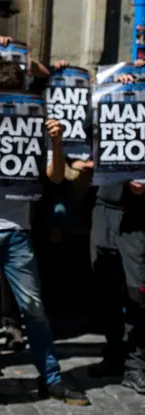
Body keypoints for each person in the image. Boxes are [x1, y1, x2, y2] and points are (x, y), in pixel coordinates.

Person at [0, 59, 89, 405]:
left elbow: (55, 176)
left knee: (33, 308)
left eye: (12, 93)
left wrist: (56, 143)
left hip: (17, 231)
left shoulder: (36, 121)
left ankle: (51, 378)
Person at [82, 69, 145, 393]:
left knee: (137, 293)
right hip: (104, 208)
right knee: (105, 287)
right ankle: (114, 355)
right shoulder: (117, 95)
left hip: (136, 217)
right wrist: (109, 93)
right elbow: (85, 128)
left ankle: (137, 365)